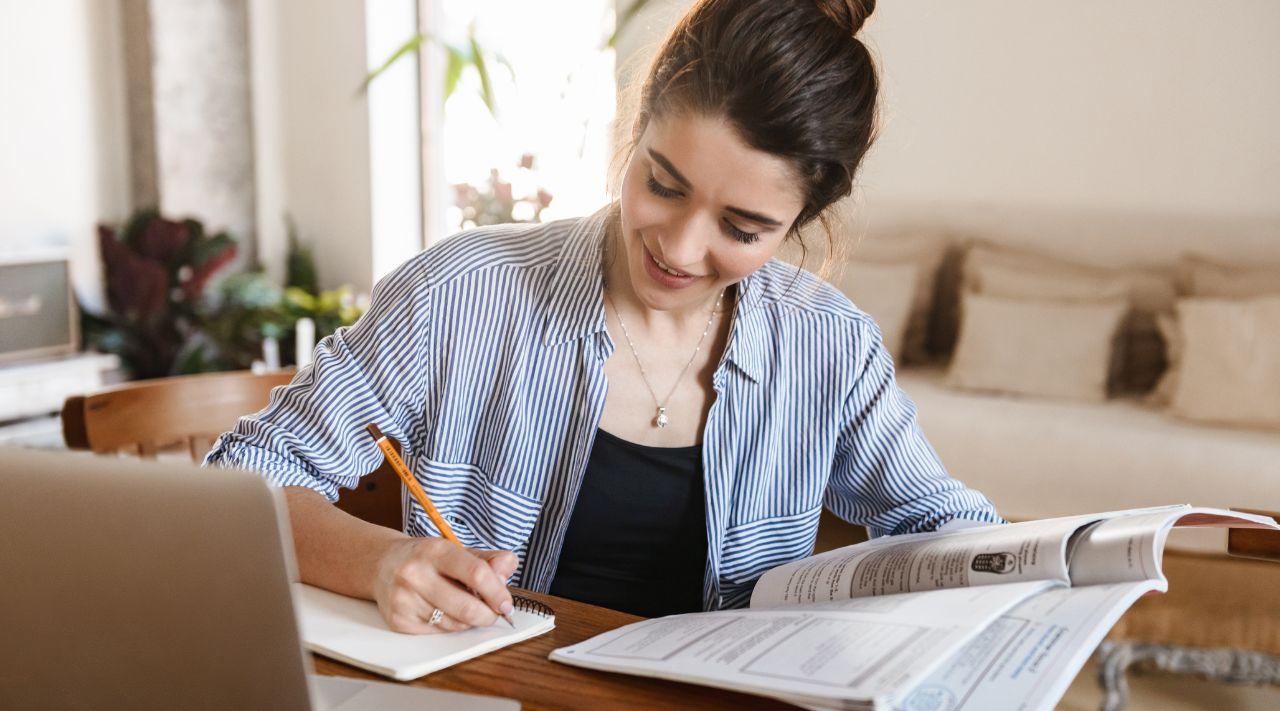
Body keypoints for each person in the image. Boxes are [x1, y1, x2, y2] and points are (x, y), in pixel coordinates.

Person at [206, 0, 1001, 632]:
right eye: (663, 184)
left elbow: (943, 524)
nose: (679, 249)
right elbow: (243, 481)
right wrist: (384, 562)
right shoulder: (460, 294)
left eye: (741, 228)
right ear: (636, 125)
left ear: (800, 223)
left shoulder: (829, 344)